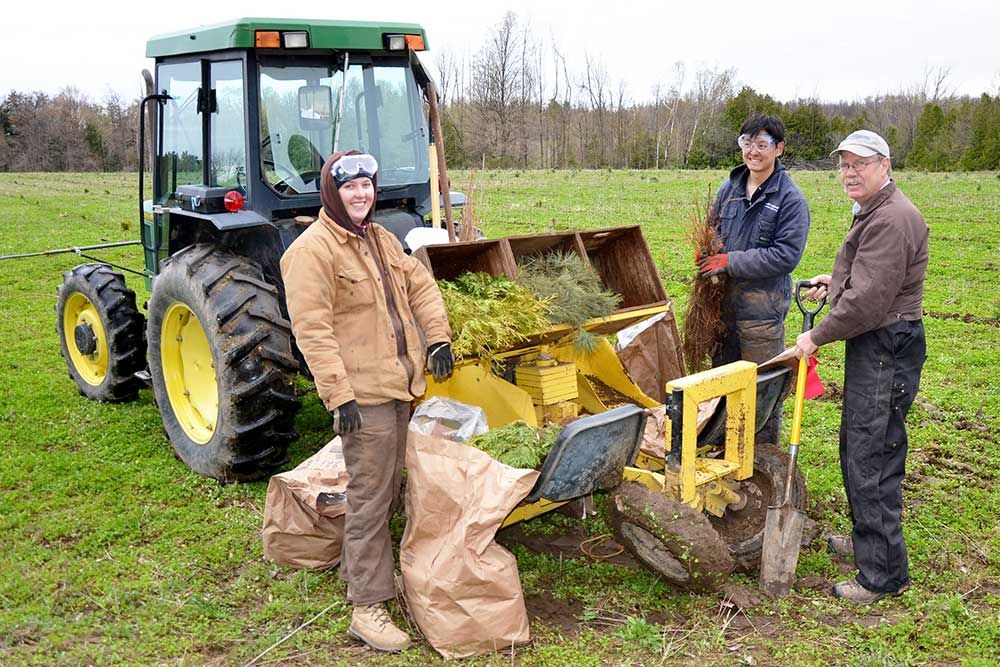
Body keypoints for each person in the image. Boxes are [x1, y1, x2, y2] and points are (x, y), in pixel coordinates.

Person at [280, 150, 454, 651]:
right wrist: (339, 397)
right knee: (371, 500)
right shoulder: (313, 251)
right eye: (351, 187)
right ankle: (367, 605)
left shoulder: (379, 239)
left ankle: (368, 574)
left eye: (367, 186)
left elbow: (419, 283)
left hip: (401, 388)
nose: (362, 194)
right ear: (332, 194)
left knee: (388, 488)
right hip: (364, 398)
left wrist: (437, 338)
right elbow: (312, 332)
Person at [792, 130, 928, 605]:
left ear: (885, 165)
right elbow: (871, 280)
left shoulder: (892, 218)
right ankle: (869, 543)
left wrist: (815, 335)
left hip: (885, 344)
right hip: (877, 342)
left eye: (860, 164)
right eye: (845, 165)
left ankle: (883, 575)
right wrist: (838, 280)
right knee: (858, 444)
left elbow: (869, 304)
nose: (850, 173)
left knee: (873, 453)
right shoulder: (876, 210)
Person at [698, 114, 811, 444]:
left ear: (779, 149)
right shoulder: (728, 189)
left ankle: (762, 463)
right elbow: (713, 231)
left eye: (763, 145)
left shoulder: (790, 200)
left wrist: (729, 261)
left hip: (761, 313)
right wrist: (707, 251)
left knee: (760, 391)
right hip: (721, 308)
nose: (753, 151)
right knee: (722, 384)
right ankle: (723, 451)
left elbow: (786, 255)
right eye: (747, 143)